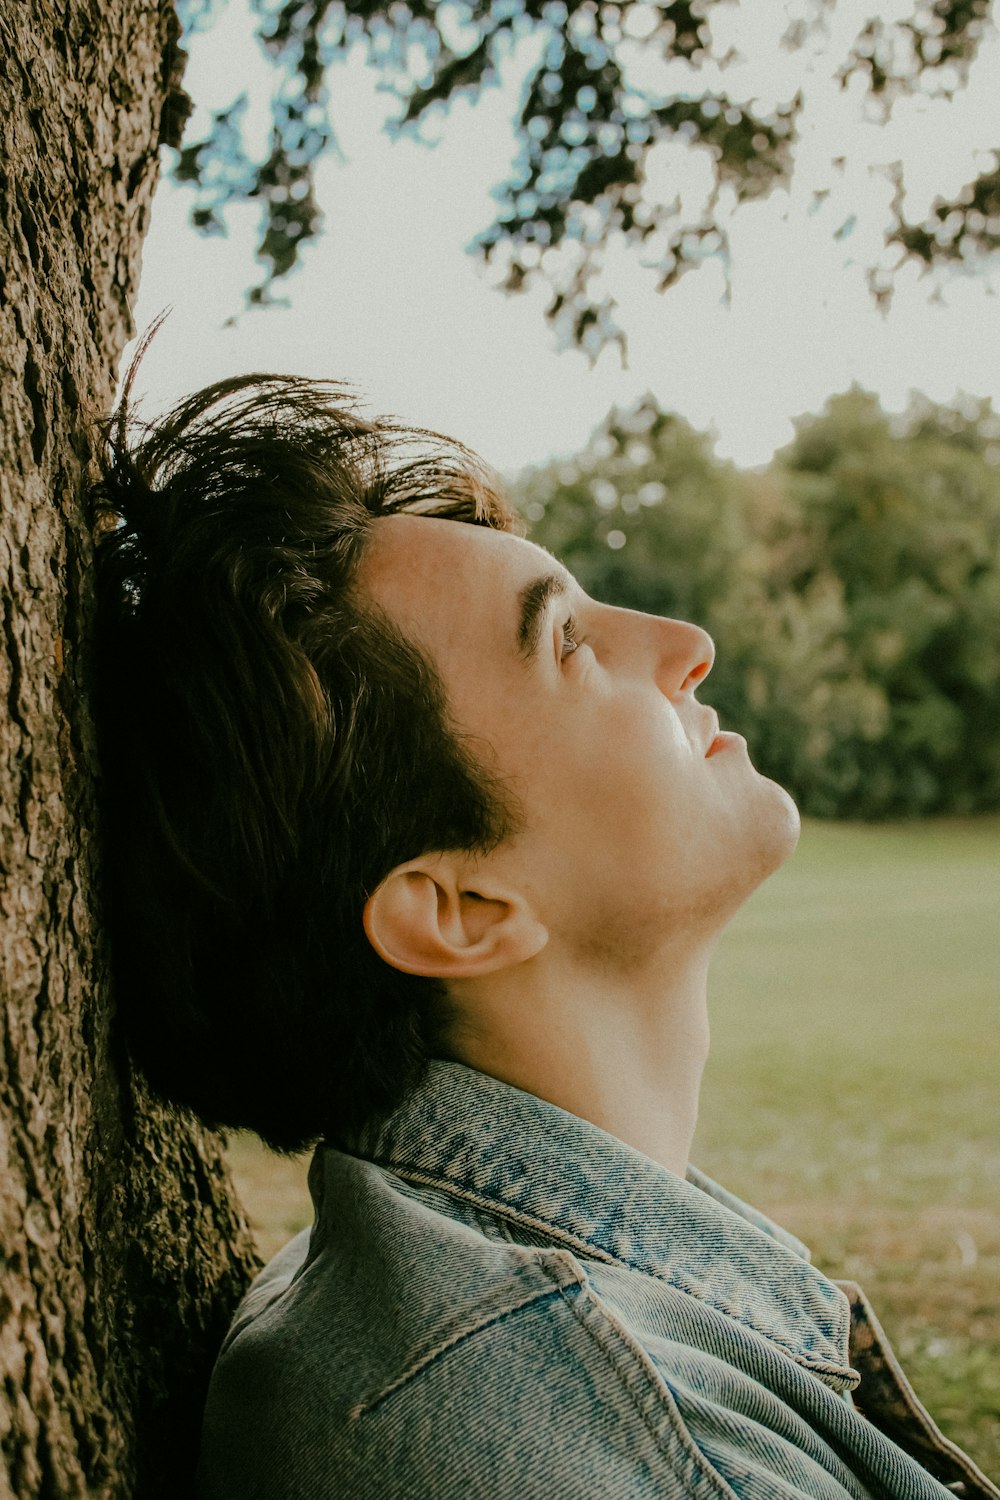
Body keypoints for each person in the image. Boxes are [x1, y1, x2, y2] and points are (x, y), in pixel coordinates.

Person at [92, 350, 997, 1500]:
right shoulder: (600, 1443)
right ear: (461, 910)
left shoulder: (484, 1306)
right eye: (566, 642)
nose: (681, 641)